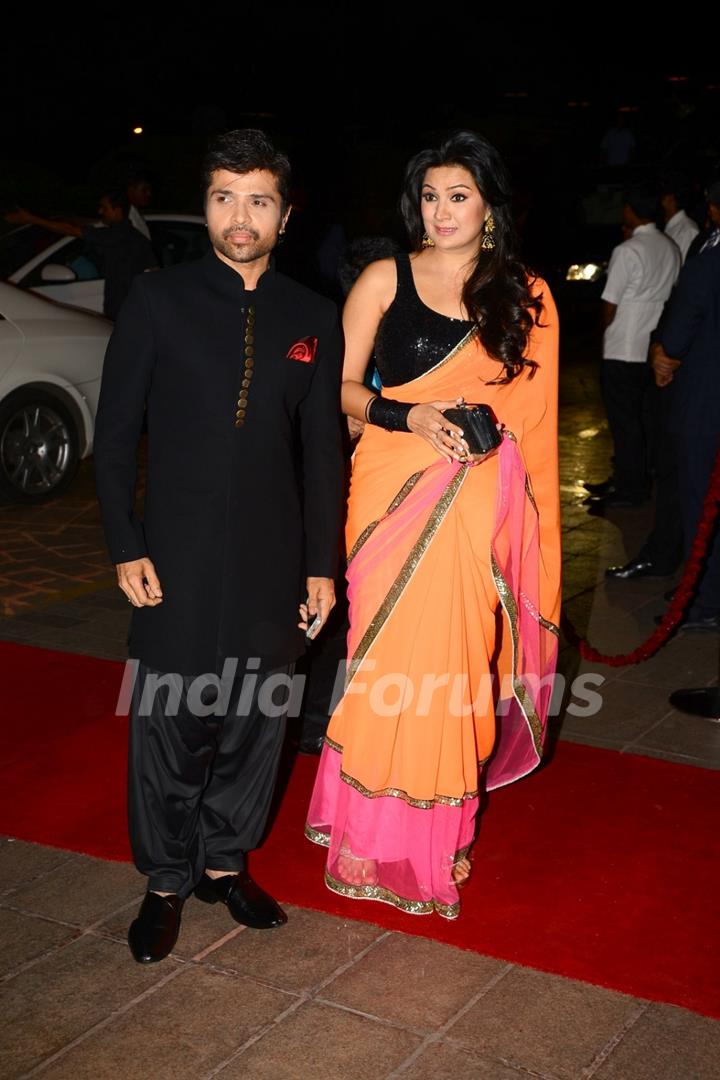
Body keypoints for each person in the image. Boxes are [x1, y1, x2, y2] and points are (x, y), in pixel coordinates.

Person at [93, 129, 344, 962]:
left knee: (256, 720)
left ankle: (224, 863)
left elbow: (321, 453)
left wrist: (321, 565)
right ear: (205, 205)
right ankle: (165, 878)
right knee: (170, 719)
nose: (241, 218)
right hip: (174, 555)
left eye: (259, 201)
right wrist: (125, 543)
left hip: (274, 562)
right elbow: (117, 429)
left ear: (285, 212)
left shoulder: (312, 314)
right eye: (225, 198)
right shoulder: (159, 299)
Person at [305, 130, 561, 919]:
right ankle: (364, 832)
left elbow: (534, 423)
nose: (442, 210)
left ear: (489, 207)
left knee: (451, 674)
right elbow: (338, 389)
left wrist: (483, 456)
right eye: (430, 195)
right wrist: (407, 412)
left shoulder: (526, 293)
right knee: (381, 664)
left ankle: (426, 843)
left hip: (476, 503)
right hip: (385, 491)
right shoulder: (385, 277)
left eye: (459, 195)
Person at [586, 186, 680, 510]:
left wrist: (602, 332)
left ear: (631, 211)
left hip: (623, 344)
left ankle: (629, 487)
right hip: (650, 345)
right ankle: (635, 480)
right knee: (640, 419)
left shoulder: (628, 250)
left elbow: (610, 302)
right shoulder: (669, 247)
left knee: (623, 422)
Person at [6, 190, 157, 320]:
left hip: (122, 313)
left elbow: (71, 230)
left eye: (104, 208)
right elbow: (155, 272)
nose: (100, 212)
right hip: (134, 311)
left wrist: (31, 219)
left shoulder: (114, 236)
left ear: (117, 210)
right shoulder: (138, 238)